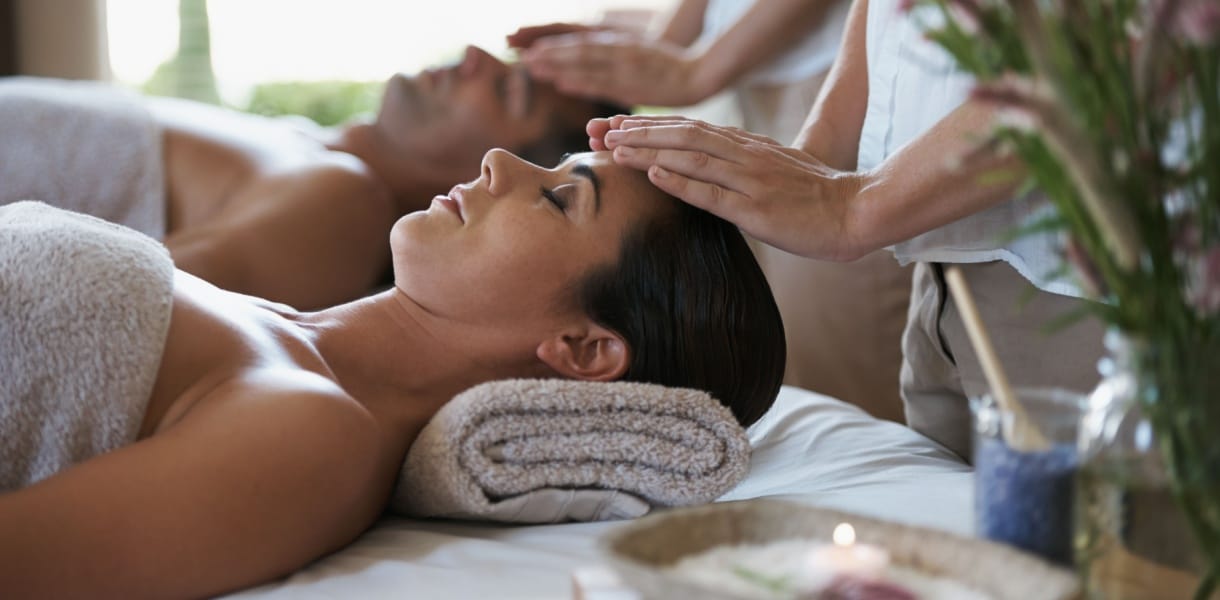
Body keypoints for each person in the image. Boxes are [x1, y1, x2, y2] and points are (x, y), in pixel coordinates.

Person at [0, 149, 787, 598]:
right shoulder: (279, 328)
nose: (498, 160)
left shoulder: (314, 435)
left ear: (582, 350)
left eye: (555, 198)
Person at [581, 0, 1106, 460]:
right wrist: (819, 152)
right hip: (944, 264)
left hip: (1074, 268)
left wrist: (854, 205)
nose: (495, 169)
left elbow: (1100, 55)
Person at [507, 0, 913, 423]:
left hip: (835, 74)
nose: (495, 166)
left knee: (860, 397)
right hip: (777, 72)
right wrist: (670, 41)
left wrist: (699, 67)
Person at [0, 45, 622, 310]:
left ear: (497, 171)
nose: (478, 57)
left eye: (510, 88)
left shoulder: (340, 202)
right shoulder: (309, 148)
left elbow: (88, 296)